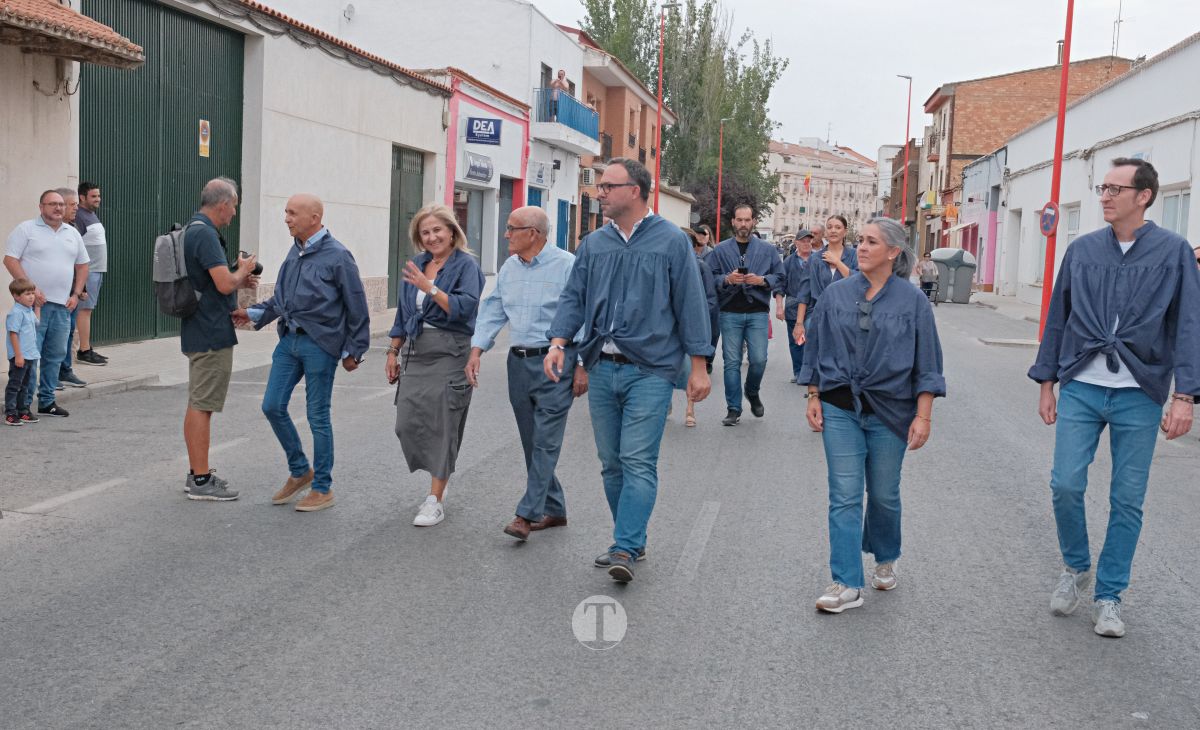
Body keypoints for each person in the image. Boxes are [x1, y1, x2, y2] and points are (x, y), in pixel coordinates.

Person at [1030, 158, 1199, 638]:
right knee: (1065, 483)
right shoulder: (1082, 251)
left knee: (1127, 500)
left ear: (1143, 196)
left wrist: (1184, 394)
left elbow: (1188, 323)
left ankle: (1109, 595)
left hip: (1140, 390)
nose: (1103, 196)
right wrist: (1047, 381)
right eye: (1102, 187)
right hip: (1083, 383)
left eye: (1114, 188)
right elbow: (1058, 317)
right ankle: (1076, 566)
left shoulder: (1173, 252)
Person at [544, 157, 713, 583]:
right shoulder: (594, 244)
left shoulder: (671, 242)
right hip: (603, 366)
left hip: (651, 369)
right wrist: (559, 341)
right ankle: (631, 539)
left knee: (637, 460)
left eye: (607, 186)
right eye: (599, 187)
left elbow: (691, 304)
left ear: (634, 191)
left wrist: (699, 367)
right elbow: (573, 296)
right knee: (611, 463)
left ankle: (623, 545)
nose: (599, 193)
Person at [801, 217, 945, 614]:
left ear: (894, 252)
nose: (861, 248)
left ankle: (885, 554)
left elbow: (928, 361)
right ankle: (846, 582)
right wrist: (813, 393)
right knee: (844, 496)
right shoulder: (836, 295)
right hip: (840, 406)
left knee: (883, 494)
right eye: (860, 240)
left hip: (890, 412)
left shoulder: (912, 301)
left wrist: (924, 415)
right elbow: (816, 347)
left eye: (871, 242)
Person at [234, 194, 370, 513]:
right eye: (285, 212)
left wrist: (355, 349)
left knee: (317, 416)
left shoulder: (338, 256)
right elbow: (280, 301)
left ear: (315, 217)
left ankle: (323, 487)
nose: (286, 218)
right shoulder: (294, 253)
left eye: (292, 213)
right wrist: (252, 314)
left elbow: (357, 305)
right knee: (272, 406)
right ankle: (300, 471)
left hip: (320, 344)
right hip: (289, 342)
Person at [467, 206, 587, 540]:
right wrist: (477, 350)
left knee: (546, 441)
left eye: (511, 228)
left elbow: (586, 316)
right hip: (518, 364)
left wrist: (581, 366)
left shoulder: (568, 265)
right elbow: (493, 310)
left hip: (557, 360)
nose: (506, 234)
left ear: (532, 233)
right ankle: (555, 508)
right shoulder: (508, 268)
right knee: (531, 441)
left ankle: (527, 513)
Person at [386, 203, 484, 527]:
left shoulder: (466, 266)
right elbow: (403, 312)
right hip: (417, 350)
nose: (431, 237)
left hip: (451, 350)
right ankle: (440, 476)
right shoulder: (416, 264)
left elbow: (464, 308)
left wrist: (430, 287)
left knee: (443, 423)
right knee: (406, 422)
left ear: (452, 231)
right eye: (425, 232)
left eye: (437, 230)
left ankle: (435, 498)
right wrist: (392, 350)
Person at [181, 178, 259, 502]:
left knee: (200, 402)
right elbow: (225, 284)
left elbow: (212, 281)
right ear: (223, 204)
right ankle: (201, 479)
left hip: (200, 325)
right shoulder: (205, 233)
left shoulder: (193, 229)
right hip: (210, 330)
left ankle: (196, 472)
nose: (235, 213)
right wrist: (243, 269)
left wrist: (236, 277)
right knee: (203, 405)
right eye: (235, 206)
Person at [3, 190, 89, 418]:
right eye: (52, 204)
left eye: (61, 204)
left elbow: (83, 265)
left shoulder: (72, 233)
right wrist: (31, 289)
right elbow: (10, 259)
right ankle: (23, 406)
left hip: (63, 306)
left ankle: (47, 401)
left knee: (56, 355)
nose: (58, 208)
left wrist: (76, 292)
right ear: (41, 207)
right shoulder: (26, 229)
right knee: (31, 355)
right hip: (32, 307)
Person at [709, 203, 784, 426]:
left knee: (759, 359)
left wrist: (762, 280)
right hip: (730, 311)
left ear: (753, 222)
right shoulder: (720, 250)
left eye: (747, 220)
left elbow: (780, 277)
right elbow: (709, 278)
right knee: (731, 362)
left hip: (758, 312)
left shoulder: (768, 250)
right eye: (739, 220)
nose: (743, 224)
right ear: (733, 221)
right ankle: (733, 408)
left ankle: (752, 391)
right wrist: (726, 279)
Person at [793, 214, 858, 347]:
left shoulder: (854, 256)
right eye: (829, 227)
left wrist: (838, 262)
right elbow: (804, 293)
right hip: (818, 314)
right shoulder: (815, 259)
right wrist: (799, 323)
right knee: (817, 359)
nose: (833, 230)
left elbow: (859, 282)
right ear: (825, 232)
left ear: (845, 231)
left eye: (838, 227)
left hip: (847, 315)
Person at [681, 229, 719, 427]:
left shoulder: (701, 267)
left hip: (691, 326)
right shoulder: (666, 266)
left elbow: (711, 299)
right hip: (668, 328)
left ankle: (690, 408)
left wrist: (700, 319)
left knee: (690, 368)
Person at [53, 188, 88, 388]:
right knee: (54, 336)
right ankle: (52, 374)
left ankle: (65, 371)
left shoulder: (73, 229)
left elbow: (79, 263)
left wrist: (80, 289)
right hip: (54, 296)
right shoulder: (51, 231)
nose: (76, 208)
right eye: (72, 204)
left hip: (72, 295)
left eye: (76, 204)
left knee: (68, 333)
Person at [73, 181, 108, 365]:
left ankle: (87, 347)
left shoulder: (90, 215)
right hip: (89, 271)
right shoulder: (79, 216)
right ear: (82, 197)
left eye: (98, 196)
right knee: (84, 310)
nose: (98, 199)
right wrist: (82, 280)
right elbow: (75, 248)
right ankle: (84, 351)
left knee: (88, 310)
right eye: (93, 196)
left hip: (97, 270)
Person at [777, 229, 815, 384]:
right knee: (796, 341)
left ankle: (810, 371)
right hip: (793, 306)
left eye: (808, 241)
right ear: (796, 243)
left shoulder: (818, 259)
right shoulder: (788, 262)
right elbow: (780, 285)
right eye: (803, 241)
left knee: (811, 339)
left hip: (813, 306)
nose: (806, 243)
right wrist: (779, 306)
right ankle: (798, 371)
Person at [5, 278, 40, 427]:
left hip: (30, 354)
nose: (31, 296)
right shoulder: (16, 313)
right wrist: (18, 355)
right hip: (20, 356)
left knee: (25, 385)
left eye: (32, 293)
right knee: (15, 385)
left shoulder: (28, 311)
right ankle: (10, 413)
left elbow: (37, 322)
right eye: (27, 294)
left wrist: (37, 307)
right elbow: (13, 334)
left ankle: (22, 410)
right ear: (16, 296)